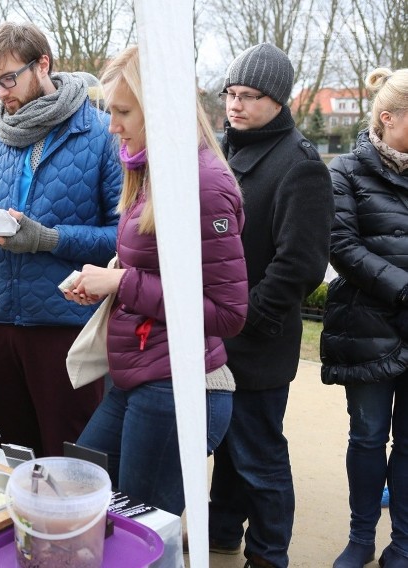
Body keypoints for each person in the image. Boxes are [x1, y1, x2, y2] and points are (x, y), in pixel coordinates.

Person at [65, 46, 247, 515]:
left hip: (181, 387)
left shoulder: (201, 185)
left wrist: (121, 286)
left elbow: (228, 314)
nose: (112, 126)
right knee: (80, 489)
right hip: (141, 374)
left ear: (158, 108)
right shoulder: (148, 172)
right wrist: (109, 278)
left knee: (140, 532)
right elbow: (157, 269)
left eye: (123, 111)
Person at [0, 22, 122, 457]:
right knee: (10, 462)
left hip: (64, 328)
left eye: (9, 78)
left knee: (70, 464)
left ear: (42, 64)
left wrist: (47, 239)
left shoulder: (102, 135)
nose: (1, 92)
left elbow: (124, 240)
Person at [207, 43, 334, 568]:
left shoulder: (300, 166)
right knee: (230, 449)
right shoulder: (220, 151)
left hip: (256, 338)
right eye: (231, 93)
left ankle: (269, 552)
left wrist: (244, 319)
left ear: (277, 100)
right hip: (216, 330)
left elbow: (300, 265)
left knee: (259, 455)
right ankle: (221, 532)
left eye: (249, 96)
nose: (235, 105)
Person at [321, 67, 408, 568]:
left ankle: (403, 542)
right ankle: (360, 538)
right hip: (369, 326)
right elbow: (342, 246)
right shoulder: (346, 171)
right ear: (386, 117)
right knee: (369, 436)